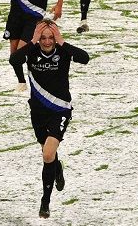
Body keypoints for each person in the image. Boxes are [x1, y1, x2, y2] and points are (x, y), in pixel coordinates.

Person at [9, 21, 90, 218]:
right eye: (43, 38)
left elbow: (85, 58)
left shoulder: (62, 51)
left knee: (47, 155)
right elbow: (14, 60)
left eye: (50, 37)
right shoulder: (32, 50)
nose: (46, 41)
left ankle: (45, 201)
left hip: (60, 109)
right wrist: (32, 40)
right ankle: (57, 168)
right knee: (48, 154)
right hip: (37, 111)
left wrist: (62, 42)